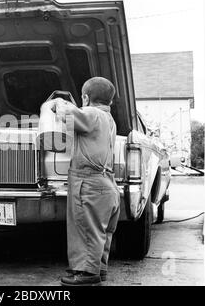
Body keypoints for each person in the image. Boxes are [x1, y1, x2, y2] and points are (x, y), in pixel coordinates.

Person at [51, 77, 120, 286]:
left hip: (88, 182)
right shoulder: (109, 119)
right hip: (106, 183)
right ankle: (99, 269)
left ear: (86, 98)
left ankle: (87, 274)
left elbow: (66, 114)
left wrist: (57, 103)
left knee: (85, 229)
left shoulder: (92, 113)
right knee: (101, 231)